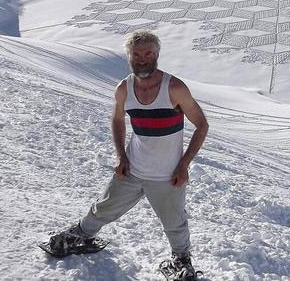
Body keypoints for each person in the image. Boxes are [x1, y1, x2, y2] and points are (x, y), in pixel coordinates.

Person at [48, 30, 209, 279]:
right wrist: (121, 156)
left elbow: (202, 125)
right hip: (133, 168)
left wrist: (183, 165)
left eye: (148, 53)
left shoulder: (174, 88)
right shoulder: (124, 88)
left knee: (175, 223)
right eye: (137, 54)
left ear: (156, 54)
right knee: (104, 208)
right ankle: (80, 236)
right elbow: (117, 119)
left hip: (167, 175)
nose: (142, 59)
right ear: (129, 56)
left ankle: (181, 259)